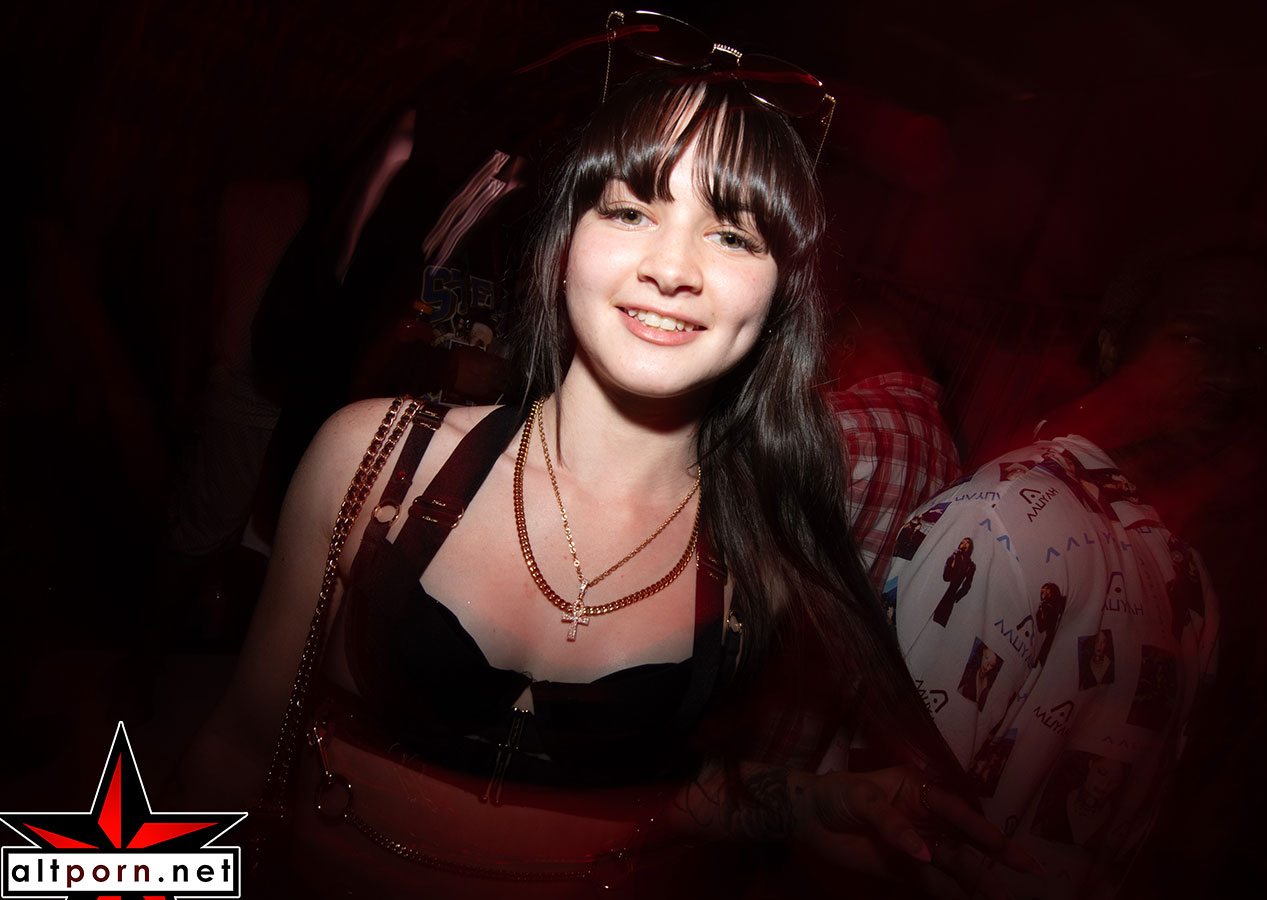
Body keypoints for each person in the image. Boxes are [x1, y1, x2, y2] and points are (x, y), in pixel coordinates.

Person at [182, 35, 1033, 898]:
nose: (671, 269)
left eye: (732, 234)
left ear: (781, 295)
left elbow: (659, 802)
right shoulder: (375, 462)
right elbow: (239, 750)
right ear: (564, 238)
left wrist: (803, 805)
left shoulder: (759, 564)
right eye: (630, 212)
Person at [881, 249, 1267, 899]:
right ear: (1116, 344)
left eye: (1254, 352)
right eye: (1195, 338)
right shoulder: (1004, 519)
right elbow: (882, 808)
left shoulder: (1187, 574)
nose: (1229, 378)